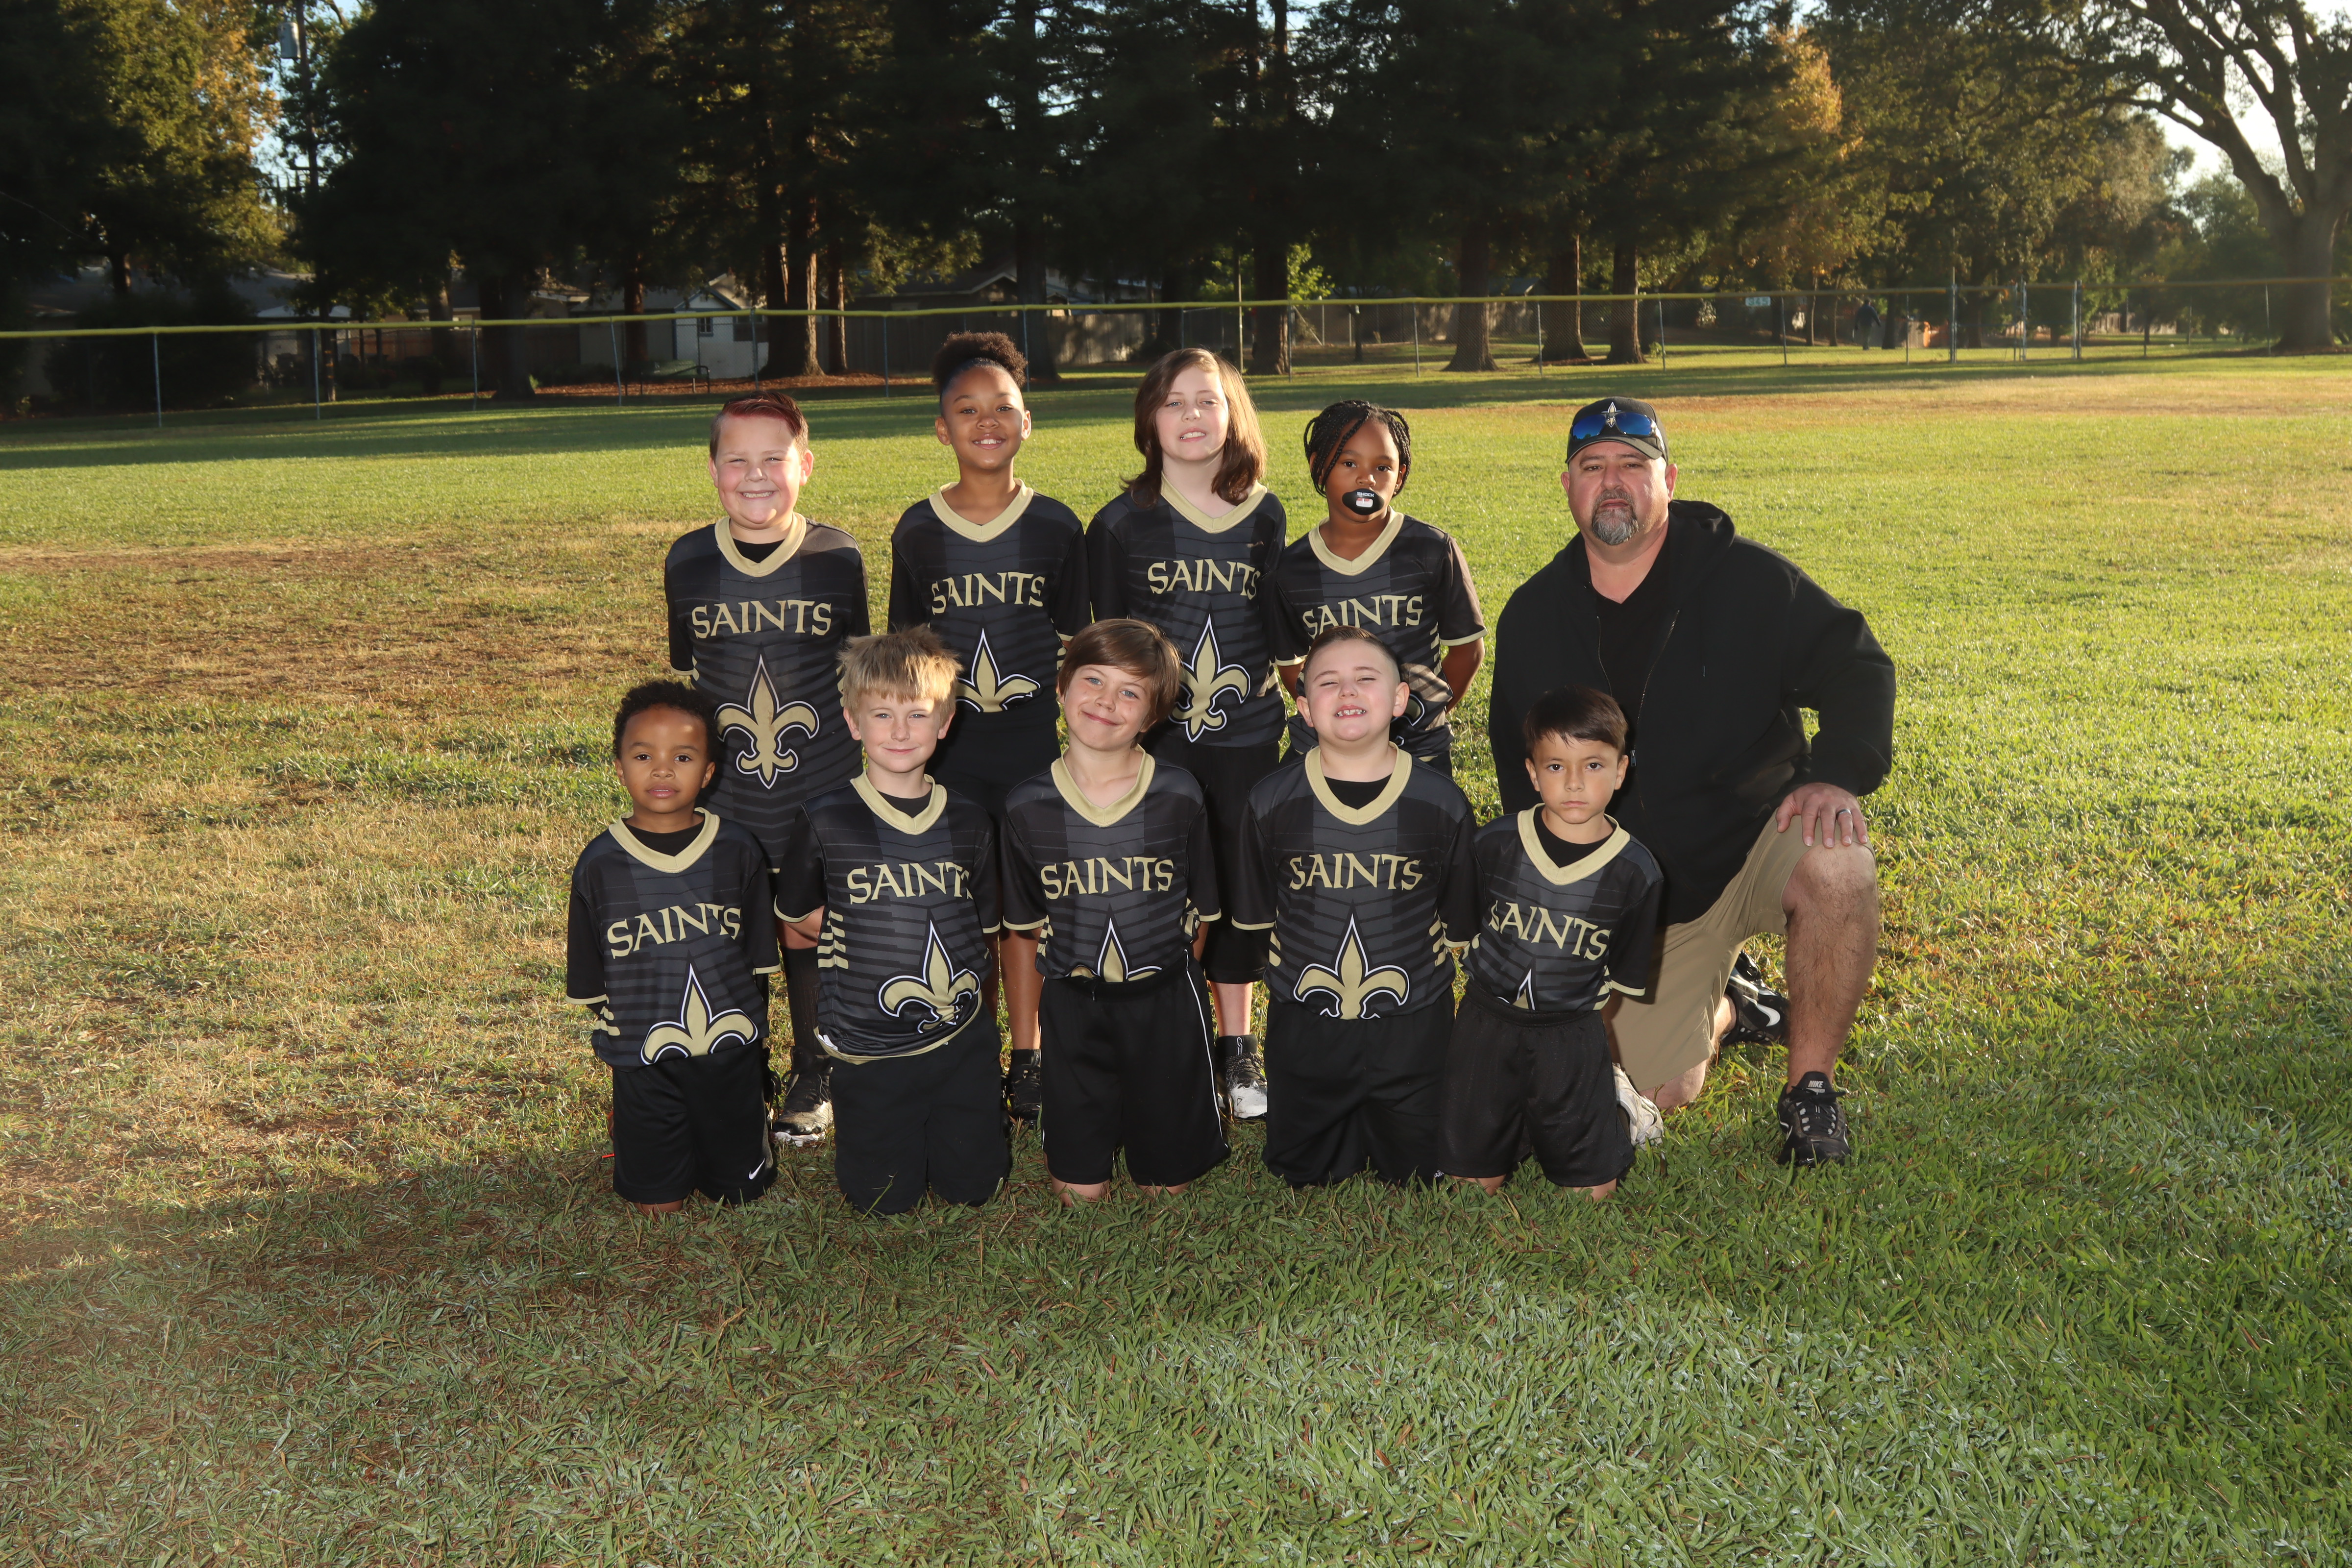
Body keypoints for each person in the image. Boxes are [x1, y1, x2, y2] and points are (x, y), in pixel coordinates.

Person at [1486, 396, 1895, 1165]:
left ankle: (1810, 1093)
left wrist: (1839, 774)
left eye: (1633, 466)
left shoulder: (1750, 581)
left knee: (1840, 863)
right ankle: (1736, 1006)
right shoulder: (1534, 616)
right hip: (1638, 894)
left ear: (1669, 480)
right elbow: (1520, 763)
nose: (1613, 483)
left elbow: (1857, 666)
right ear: (1568, 487)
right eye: (1593, 467)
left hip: (1755, 839)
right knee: (1653, 1085)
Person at [886, 331, 1091, 1126]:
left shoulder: (1056, 526)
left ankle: (1028, 1058)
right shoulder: (919, 529)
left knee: (1027, 911)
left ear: (1027, 421)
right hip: (950, 749)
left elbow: (1078, 647)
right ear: (942, 428)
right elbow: (905, 654)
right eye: (967, 410)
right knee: (963, 906)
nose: (986, 422)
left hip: (1032, 743)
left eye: (1002, 407)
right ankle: (966, 1047)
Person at [665, 392, 870, 1151]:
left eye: (774, 459)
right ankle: (738, 1066)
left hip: (821, 786)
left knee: (810, 927)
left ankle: (815, 1071)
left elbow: (856, 670)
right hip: (728, 792)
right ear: (713, 469)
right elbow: (690, 675)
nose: (756, 475)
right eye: (738, 461)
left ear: (805, 465)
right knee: (733, 930)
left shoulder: (837, 556)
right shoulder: (688, 560)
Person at [1086, 347, 1287, 1120]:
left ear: (1234, 414)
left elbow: (1275, 631)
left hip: (1245, 735)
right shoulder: (1120, 522)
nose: (1192, 416)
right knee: (1160, 888)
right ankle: (1171, 1031)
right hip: (1157, 742)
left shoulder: (1265, 514)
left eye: (1207, 400)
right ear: (1150, 420)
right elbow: (1107, 650)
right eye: (1173, 402)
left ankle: (1238, 1044)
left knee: (1236, 886)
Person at [1229, 626, 1479, 1188]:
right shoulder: (1270, 801)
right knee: (1301, 1172)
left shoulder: (1441, 802)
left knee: (1419, 1173)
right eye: (1328, 681)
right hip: (1307, 1022)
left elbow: (1460, 917)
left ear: (1400, 699)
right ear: (1304, 708)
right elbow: (1257, 917)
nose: (1347, 691)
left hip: (1413, 1022)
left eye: (1367, 678)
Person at [772, 629, 1009, 1215]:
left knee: (975, 1189)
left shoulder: (970, 820)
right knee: (882, 1199)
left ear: (945, 722)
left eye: (918, 714)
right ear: (854, 722)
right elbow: (796, 917)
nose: (900, 731)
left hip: (960, 1039)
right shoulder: (825, 819)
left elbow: (984, 926)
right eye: (882, 714)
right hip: (870, 1048)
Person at [999, 619, 1226, 1203]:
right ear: (1061, 686)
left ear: (1152, 715)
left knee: (1166, 1187)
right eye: (1093, 680)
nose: (1106, 701)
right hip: (1075, 1004)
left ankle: (1165, 1117)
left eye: (1130, 692)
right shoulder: (1026, 804)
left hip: (1164, 1001)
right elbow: (1025, 925)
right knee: (1078, 1192)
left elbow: (1202, 913)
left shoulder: (1180, 793)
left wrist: (1172, 980)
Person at [1440, 686, 1663, 1200]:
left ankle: (1609, 1111)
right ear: (1533, 772)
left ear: (1621, 771)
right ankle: (1512, 1120)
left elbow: (1619, 982)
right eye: (1557, 766)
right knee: (1473, 1185)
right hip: (1486, 1024)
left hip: (1570, 1034)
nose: (1576, 782)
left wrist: (1578, 1041)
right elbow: (1464, 930)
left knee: (1591, 1194)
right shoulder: (1494, 843)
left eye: (1594, 765)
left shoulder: (1637, 872)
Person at [565, 681, 780, 1213]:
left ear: (708, 772)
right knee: (657, 1206)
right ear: (620, 767)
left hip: (729, 1050)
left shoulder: (738, 849)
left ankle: (747, 1118)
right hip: (643, 1056)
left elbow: (757, 961)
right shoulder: (600, 863)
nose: (662, 770)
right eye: (644, 756)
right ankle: (637, 1132)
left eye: (682, 757)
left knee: (741, 1195)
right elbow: (590, 978)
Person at [1270, 401, 1485, 773]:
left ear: (1400, 476)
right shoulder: (1292, 569)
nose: (1366, 479)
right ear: (1319, 466)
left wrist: (1421, 715)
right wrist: (1337, 720)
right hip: (1329, 755)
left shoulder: (1431, 550)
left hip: (1419, 753)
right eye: (1349, 463)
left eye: (1382, 467)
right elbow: (1292, 666)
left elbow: (1467, 650)